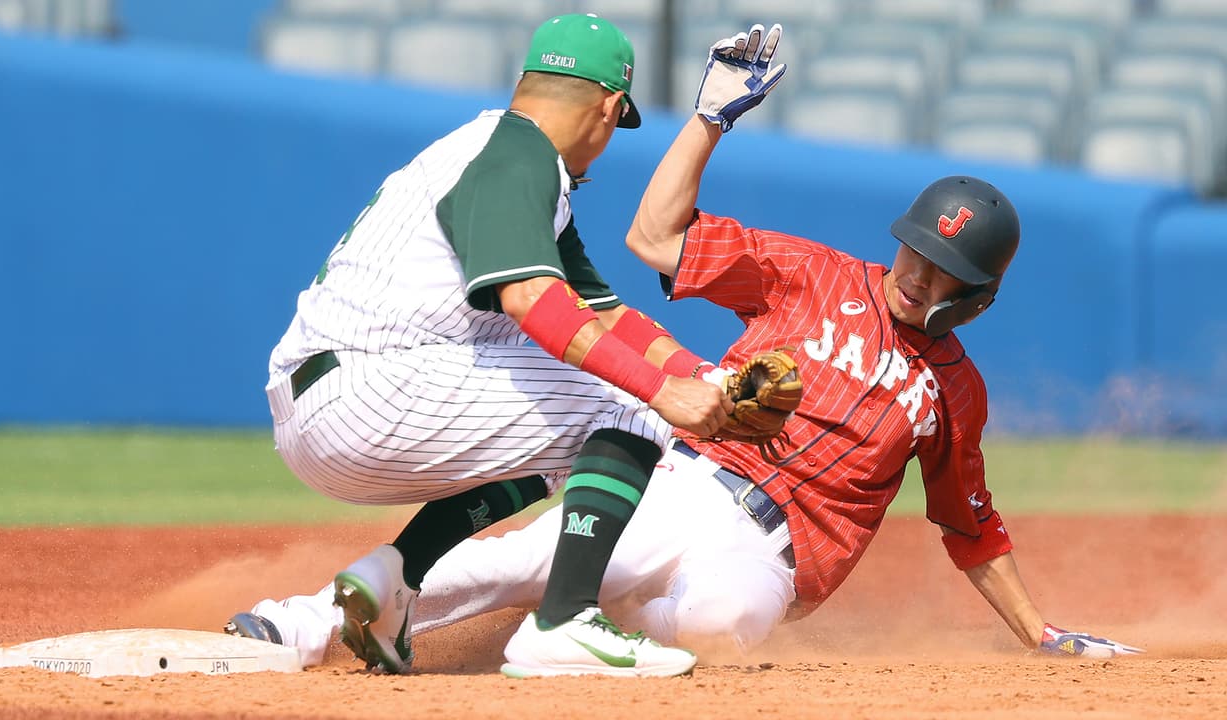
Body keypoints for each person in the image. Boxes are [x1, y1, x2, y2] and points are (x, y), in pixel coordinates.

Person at [231, 23, 1142, 668]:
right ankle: (317, 619)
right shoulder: (811, 272)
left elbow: (969, 525)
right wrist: (709, 120)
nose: (919, 273)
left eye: (944, 269)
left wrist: (1040, 633)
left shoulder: (953, 392)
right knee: (531, 544)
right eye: (917, 249)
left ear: (973, 296)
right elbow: (657, 245)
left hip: (771, 556)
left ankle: (575, 622)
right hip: (684, 480)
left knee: (717, 622)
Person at [234, 13, 742, 679]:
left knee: (586, 431)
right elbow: (533, 302)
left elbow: (606, 314)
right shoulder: (517, 155)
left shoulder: (502, 156)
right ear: (609, 108)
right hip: (371, 389)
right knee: (629, 404)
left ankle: (395, 579)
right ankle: (566, 623)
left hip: (329, 402)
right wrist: (663, 391)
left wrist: (710, 378)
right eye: (617, 126)